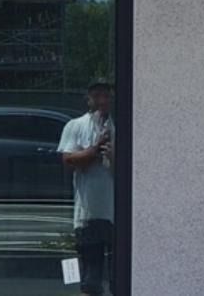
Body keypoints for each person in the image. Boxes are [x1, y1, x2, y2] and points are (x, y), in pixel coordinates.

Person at [59, 81, 115, 296]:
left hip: (118, 213)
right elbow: (68, 159)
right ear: (88, 99)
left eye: (106, 96)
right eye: (97, 96)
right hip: (88, 212)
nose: (102, 101)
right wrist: (94, 149)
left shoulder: (122, 125)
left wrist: (112, 156)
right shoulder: (76, 125)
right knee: (91, 276)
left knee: (119, 275)